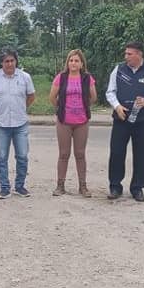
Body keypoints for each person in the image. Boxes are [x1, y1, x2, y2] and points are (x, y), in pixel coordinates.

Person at [105, 41, 144, 202]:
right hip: (121, 119)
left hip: (142, 121)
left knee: (141, 154)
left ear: (139, 54)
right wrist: (117, 106)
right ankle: (115, 186)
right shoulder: (118, 69)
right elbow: (110, 92)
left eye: (129, 54)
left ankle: (137, 188)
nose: (126, 57)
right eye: (126, 54)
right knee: (117, 153)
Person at [0, 49, 35, 199]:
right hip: (1, 124)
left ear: (16, 61)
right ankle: (4, 188)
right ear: (1, 63)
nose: (10, 64)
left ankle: (20, 186)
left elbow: (31, 96)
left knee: (22, 156)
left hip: (20, 123)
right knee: (2, 157)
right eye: (6, 61)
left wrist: (21, 107)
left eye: (12, 60)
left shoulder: (25, 77)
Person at [48, 49, 98, 197]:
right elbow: (52, 97)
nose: (73, 63)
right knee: (64, 154)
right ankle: (60, 185)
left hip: (81, 121)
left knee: (80, 154)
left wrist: (83, 106)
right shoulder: (61, 78)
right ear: (67, 63)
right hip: (64, 121)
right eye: (71, 60)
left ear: (82, 63)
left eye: (76, 61)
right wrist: (62, 107)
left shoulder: (87, 78)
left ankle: (83, 186)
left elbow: (93, 97)